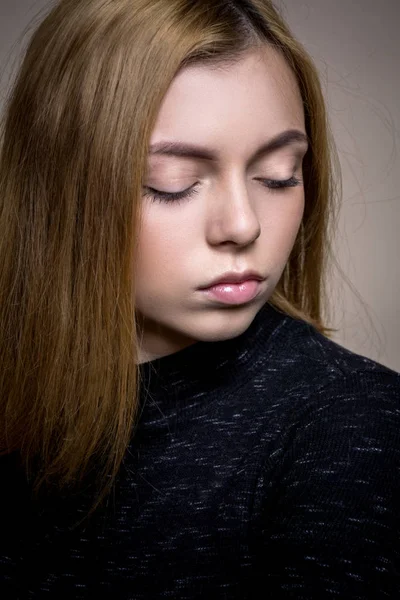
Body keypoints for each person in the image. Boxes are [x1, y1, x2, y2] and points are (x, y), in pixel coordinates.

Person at [0, 0, 399, 597]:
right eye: (174, 185)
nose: (243, 225)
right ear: (56, 190)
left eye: (279, 174)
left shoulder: (351, 431)